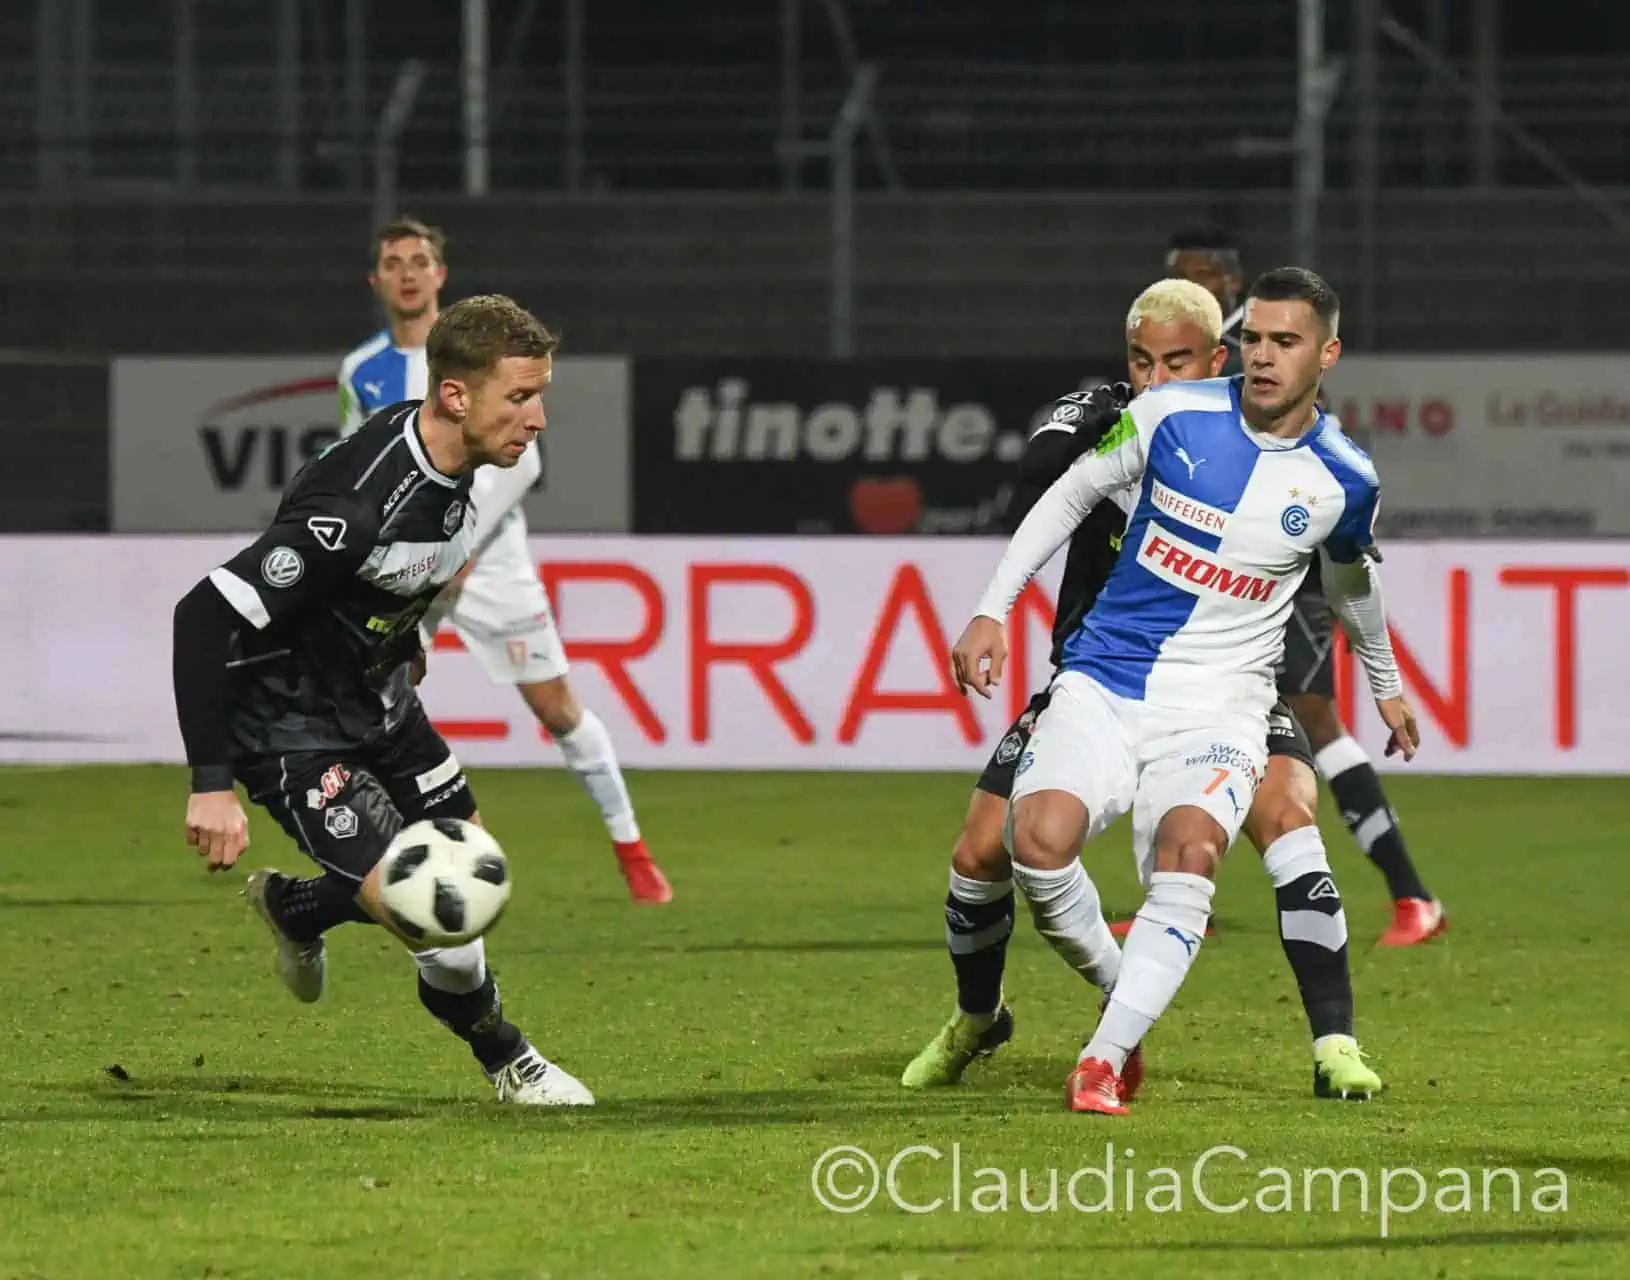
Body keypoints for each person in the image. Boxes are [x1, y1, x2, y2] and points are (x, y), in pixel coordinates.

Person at [950, 267, 1419, 1115]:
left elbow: (1353, 587)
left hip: (1224, 704)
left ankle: (1104, 1056)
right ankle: (1125, 989)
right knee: (1034, 841)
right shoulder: (1169, 414)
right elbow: (1069, 496)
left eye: (1288, 342)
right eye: (1256, 339)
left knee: (1195, 849)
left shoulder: (1344, 478)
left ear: (1328, 353)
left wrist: (1384, 686)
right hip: (1107, 679)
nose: (1266, 357)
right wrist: (992, 610)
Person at [174, 294, 595, 1106]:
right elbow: (202, 615)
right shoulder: (356, 507)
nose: (538, 418)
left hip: (382, 703)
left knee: (473, 882)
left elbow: (389, 584)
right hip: (290, 726)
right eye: (520, 397)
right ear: (456, 396)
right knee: (439, 916)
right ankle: (511, 1061)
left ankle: (298, 908)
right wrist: (211, 783)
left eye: (540, 395)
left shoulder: (458, 459)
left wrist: (402, 641)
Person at [339, 216, 671, 905]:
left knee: (556, 708)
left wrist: (460, 546)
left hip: (487, 557)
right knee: (366, 701)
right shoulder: (360, 371)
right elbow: (360, 461)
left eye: (419, 260)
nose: (407, 272)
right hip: (406, 562)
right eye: (393, 261)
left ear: (440, 275)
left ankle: (632, 851)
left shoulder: (473, 351)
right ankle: (384, 856)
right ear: (376, 280)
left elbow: (523, 464)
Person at [1168, 229, 1446, 946]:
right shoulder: (1206, 341)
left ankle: (1412, 894)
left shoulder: (1255, 336)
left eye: (1198, 274)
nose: (1189, 285)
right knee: (1203, 714)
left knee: (1314, 719)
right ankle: (1177, 891)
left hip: (1292, 553)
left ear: (1225, 278)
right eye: (1179, 273)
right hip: (1235, 552)